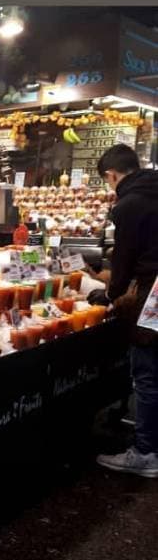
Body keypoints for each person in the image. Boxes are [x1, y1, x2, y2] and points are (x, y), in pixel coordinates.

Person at [93, 144, 158, 477]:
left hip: (154, 296)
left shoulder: (129, 205)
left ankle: (146, 453)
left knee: (146, 372)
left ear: (111, 175)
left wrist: (112, 296)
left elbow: (124, 259)